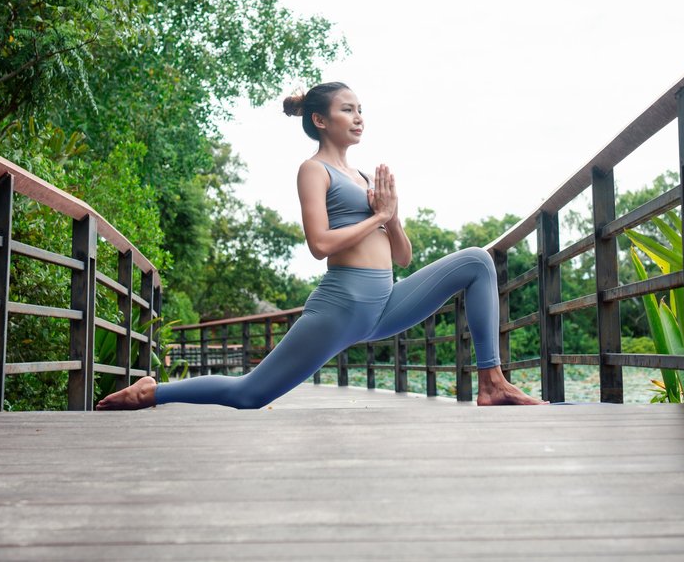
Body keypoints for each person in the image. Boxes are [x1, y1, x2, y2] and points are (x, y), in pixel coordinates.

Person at [97, 82, 546, 410]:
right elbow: (319, 244)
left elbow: (404, 257)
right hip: (341, 306)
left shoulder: (369, 178)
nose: (358, 117)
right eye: (347, 110)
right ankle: (152, 391)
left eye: (361, 109)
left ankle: (492, 382)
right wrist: (378, 217)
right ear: (320, 120)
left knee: (477, 262)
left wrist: (393, 214)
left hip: (385, 303)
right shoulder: (314, 170)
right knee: (250, 394)